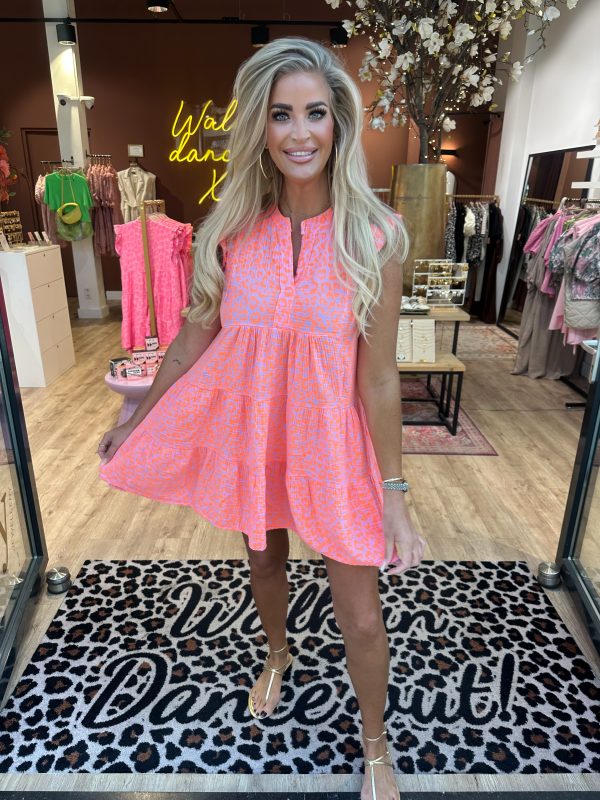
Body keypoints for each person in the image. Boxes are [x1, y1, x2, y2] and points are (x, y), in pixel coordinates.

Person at [98, 37, 425, 800]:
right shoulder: (231, 233)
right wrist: (139, 417)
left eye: (315, 113)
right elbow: (192, 337)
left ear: (338, 123)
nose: (299, 132)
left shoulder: (375, 238)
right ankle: (277, 652)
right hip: (255, 434)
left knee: (362, 616)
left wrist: (395, 492)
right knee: (265, 562)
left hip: (334, 446)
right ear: (260, 127)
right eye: (281, 115)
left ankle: (375, 745)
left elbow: (379, 377)